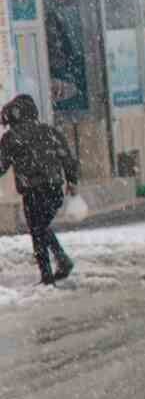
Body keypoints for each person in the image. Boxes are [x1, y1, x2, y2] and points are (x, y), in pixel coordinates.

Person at [0, 95, 79, 285]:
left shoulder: (11, 138)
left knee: (37, 230)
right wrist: (72, 181)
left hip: (32, 191)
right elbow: (66, 157)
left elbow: (1, 165)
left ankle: (48, 274)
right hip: (54, 189)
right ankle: (61, 261)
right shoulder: (49, 131)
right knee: (41, 227)